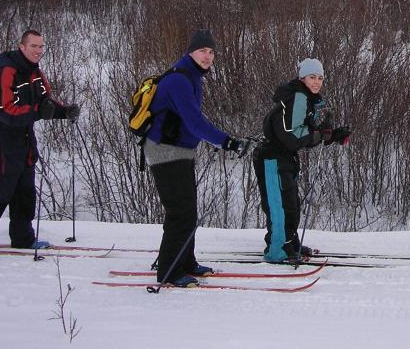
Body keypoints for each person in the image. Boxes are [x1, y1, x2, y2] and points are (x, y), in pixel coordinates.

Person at [143, 29, 251, 287]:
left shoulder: (191, 77)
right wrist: (226, 141)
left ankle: (186, 261)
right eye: (203, 50)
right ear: (190, 52)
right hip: (165, 151)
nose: (208, 56)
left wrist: (213, 140)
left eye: (211, 51)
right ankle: (169, 271)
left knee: (187, 210)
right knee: (180, 212)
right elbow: (194, 122)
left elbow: (188, 123)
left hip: (178, 150)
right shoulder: (179, 80)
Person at [0, 30, 80, 252]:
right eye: (34, 46)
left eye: (41, 47)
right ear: (22, 47)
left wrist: (65, 112)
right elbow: (6, 110)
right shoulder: (6, 70)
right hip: (3, 140)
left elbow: (46, 102)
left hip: (25, 138)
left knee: (25, 192)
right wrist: (37, 111)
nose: (38, 51)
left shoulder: (35, 73)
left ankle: (23, 238)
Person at [253, 58, 350, 263]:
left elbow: (303, 134)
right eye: (312, 77)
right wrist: (320, 134)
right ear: (302, 78)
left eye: (320, 78)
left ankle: (290, 242)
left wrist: (330, 135)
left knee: (291, 204)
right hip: (273, 158)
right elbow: (293, 136)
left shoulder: (304, 98)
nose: (317, 82)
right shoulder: (298, 96)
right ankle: (277, 250)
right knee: (280, 206)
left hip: (283, 157)